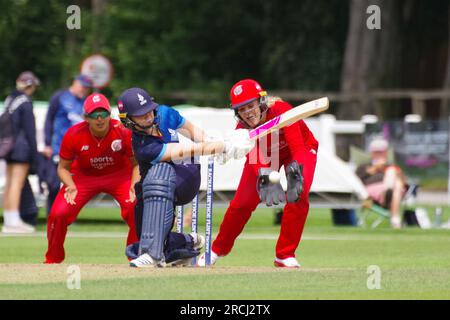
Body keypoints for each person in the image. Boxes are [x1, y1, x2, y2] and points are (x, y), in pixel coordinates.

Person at [117, 87, 253, 267]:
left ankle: (152, 255)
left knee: (159, 174)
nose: (149, 116)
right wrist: (218, 146)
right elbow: (180, 151)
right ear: (128, 121)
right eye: (141, 115)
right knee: (148, 236)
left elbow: (194, 134)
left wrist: (214, 143)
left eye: (149, 110)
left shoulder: (164, 113)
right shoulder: (142, 145)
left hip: (186, 175)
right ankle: (187, 243)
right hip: (154, 186)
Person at [197, 79, 319, 268]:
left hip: (300, 149)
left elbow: (297, 146)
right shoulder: (242, 131)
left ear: (261, 102)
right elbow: (256, 159)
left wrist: (295, 170)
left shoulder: (281, 110)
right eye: (242, 109)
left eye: (250, 106)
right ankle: (216, 250)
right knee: (241, 204)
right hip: (266, 155)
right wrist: (265, 175)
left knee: (298, 193)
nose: (247, 113)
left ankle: (284, 255)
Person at [44, 93, 139, 263]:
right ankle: (53, 259)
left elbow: (136, 164)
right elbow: (63, 168)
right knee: (58, 213)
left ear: (111, 115)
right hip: (83, 177)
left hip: (119, 175)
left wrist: (134, 184)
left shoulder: (124, 131)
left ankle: (135, 256)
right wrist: (70, 185)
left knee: (136, 206)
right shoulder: (73, 134)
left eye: (104, 114)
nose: (100, 119)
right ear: (85, 117)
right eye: (94, 115)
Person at [42, 74, 93, 214]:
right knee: (53, 185)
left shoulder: (86, 103)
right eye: (83, 86)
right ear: (75, 83)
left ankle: (67, 216)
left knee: (72, 185)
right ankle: (51, 215)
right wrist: (47, 143)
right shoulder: (60, 97)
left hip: (77, 152)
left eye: (87, 88)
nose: (84, 90)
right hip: (58, 148)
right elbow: (49, 120)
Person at [1, 71, 41, 233]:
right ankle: (13, 222)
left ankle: (10, 220)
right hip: (21, 148)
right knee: (17, 184)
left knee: (10, 184)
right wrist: (34, 154)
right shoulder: (25, 103)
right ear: (30, 86)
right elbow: (30, 132)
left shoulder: (11, 100)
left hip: (9, 147)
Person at [356, 137, 406, 229]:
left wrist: (396, 174)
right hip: (370, 195)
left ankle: (388, 193)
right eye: (376, 152)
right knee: (396, 187)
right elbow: (356, 181)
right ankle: (395, 219)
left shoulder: (392, 166)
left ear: (386, 153)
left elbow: (404, 183)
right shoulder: (363, 167)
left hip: (394, 191)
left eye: (381, 152)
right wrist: (374, 169)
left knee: (396, 182)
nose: (379, 154)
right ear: (371, 153)